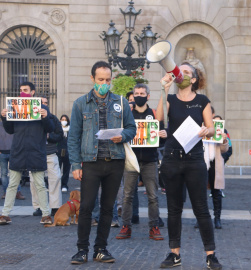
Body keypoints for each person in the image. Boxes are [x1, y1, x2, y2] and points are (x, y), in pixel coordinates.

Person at [68, 61, 136, 264]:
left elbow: (132, 128)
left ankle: (101, 248)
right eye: (100, 80)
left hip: (114, 161)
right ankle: (82, 249)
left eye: (107, 80)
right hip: (91, 161)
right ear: (92, 79)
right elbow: (74, 136)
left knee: (108, 207)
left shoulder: (121, 103)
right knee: (87, 206)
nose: (104, 83)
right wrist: (75, 165)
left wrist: (123, 135)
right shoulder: (81, 103)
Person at [156, 62, 222, 269]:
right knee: (174, 209)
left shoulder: (202, 100)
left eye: (185, 72)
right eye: (178, 71)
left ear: (193, 79)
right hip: (172, 158)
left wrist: (206, 131)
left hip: (194, 159)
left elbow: (211, 129)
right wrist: (163, 90)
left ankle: (210, 255)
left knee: (201, 208)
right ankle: (174, 253)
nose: (180, 74)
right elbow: (159, 118)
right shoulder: (170, 98)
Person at [0, 81, 55, 225]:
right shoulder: (15, 107)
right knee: (12, 184)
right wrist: (4, 117)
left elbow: (50, 128)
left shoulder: (43, 108)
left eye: (26, 90)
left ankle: (46, 214)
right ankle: (5, 214)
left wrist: (46, 116)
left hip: (36, 151)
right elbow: (10, 130)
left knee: (40, 184)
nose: (23, 92)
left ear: (33, 92)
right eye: (21, 89)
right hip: (19, 151)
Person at [116, 83, 164, 241]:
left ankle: (154, 227)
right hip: (131, 160)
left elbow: (161, 140)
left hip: (150, 160)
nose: (139, 96)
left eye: (142, 93)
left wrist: (163, 134)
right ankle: (126, 226)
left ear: (148, 96)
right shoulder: (128, 114)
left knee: (153, 196)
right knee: (127, 195)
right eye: (136, 93)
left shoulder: (155, 114)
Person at [31, 96, 63, 216]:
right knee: (34, 181)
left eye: (46, 103)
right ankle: (38, 206)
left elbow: (60, 135)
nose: (44, 105)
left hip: (50, 153)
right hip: (35, 153)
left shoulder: (53, 118)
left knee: (55, 179)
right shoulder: (31, 119)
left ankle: (55, 206)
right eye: (42, 103)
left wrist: (50, 137)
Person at [203, 109, 230, 230]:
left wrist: (224, 140)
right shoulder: (201, 127)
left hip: (215, 162)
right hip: (203, 162)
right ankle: (201, 218)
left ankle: (217, 218)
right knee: (201, 193)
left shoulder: (220, 129)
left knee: (216, 192)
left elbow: (225, 150)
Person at [0, 121, 25, 200]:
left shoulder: (15, 125)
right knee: (4, 173)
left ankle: (17, 191)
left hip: (14, 152)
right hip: (2, 153)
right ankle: (6, 192)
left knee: (15, 173)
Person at [58, 114, 71, 193]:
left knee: (66, 169)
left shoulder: (70, 129)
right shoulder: (58, 129)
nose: (64, 121)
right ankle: (57, 184)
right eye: (62, 119)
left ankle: (64, 185)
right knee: (57, 169)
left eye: (65, 120)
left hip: (68, 152)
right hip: (59, 151)